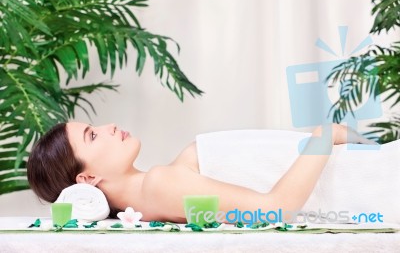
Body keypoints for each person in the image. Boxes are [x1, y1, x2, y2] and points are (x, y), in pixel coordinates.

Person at [27, 122, 382, 224]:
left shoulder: (161, 183)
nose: (109, 126)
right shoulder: (159, 184)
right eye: (92, 135)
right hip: (368, 181)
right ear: (86, 180)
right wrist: (326, 137)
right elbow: (278, 208)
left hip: (360, 171)